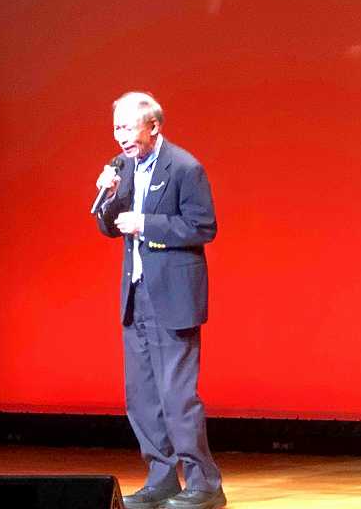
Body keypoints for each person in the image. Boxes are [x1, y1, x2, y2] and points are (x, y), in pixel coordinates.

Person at [94, 92, 226, 509]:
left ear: (153, 126)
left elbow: (202, 227)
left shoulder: (185, 167)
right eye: (116, 128)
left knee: (177, 396)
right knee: (142, 397)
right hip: (136, 297)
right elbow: (109, 227)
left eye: (128, 127)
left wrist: (146, 224)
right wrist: (109, 196)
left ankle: (205, 484)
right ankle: (161, 479)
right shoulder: (124, 168)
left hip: (173, 299)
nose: (121, 137)